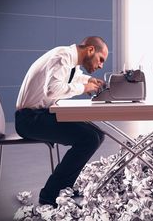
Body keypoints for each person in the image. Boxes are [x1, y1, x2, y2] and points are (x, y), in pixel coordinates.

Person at [15, 36, 108, 207]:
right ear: (90, 50)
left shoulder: (70, 60)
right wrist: (84, 87)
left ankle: (63, 189)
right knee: (89, 139)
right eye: (101, 59)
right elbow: (53, 89)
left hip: (39, 115)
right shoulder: (62, 57)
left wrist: (88, 81)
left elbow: (70, 77)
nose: (101, 65)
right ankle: (50, 195)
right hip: (29, 120)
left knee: (98, 135)